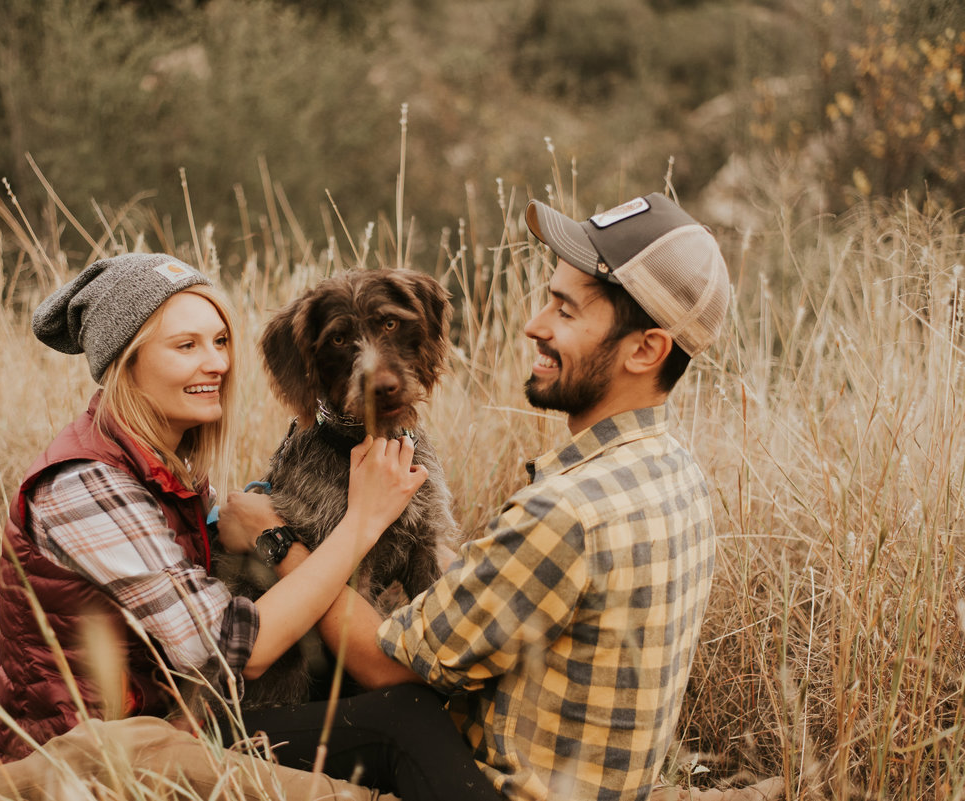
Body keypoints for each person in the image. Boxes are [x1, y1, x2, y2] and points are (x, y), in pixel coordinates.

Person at [0, 252, 502, 801]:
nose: (215, 363)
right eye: (186, 347)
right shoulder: (83, 484)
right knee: (398, 730)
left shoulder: (171, 467)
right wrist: (357, 522)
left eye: (218, 341)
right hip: (111, 745)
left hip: (185, 719)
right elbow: (233, 649)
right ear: (125, 363)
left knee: (402, 712)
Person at [231, 192, 733, 801]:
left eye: (566, 312)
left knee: (202, 748)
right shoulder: (677, 472)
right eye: (548, 300)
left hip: (485, 781)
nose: (532, 326)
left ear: (646, 349)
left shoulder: (564, 513)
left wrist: (275, 540)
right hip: (594, 780)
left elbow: (389, 664)